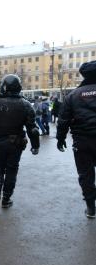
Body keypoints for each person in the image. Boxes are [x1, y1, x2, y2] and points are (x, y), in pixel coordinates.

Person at [0, 74, 40, 209]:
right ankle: (6, 198)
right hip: (16, 143)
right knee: (12, 170)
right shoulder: (25, 105)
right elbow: (33, 130)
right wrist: (35, 146)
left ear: (3, 87)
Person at [56, 60, 96, 219]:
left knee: (85, 174)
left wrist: (60, 138)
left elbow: (63, 119)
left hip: (82, 141)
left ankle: (91, 207)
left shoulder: (73, 95)